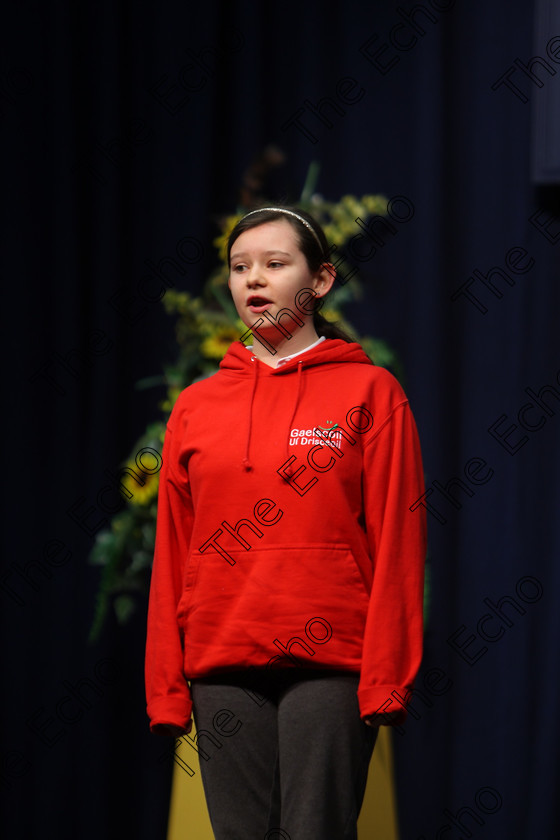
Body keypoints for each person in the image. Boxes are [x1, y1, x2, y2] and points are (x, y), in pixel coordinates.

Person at [145, 206, 427, 840]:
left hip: (332, 659)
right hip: (222, 659)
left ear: (320, 280)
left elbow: (399, 544)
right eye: (241, 268)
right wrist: (166, 684)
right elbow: (172, 552)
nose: (255, 281)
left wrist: (386, 678)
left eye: (276, 264)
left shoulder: (371, 392)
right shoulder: (195, 407)